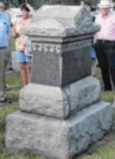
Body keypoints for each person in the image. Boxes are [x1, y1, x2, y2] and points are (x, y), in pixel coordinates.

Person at [94, 0, 115, 91]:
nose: (104, 9)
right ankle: (107, 88)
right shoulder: (97, 17)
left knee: (113, 67)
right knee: (103, 67)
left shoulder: (114, 16)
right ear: (100, 8)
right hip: (99, 44)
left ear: (109, 8)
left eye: (106, 8)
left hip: (110, 44)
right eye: (103, 8)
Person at [12, 4, 33, 86]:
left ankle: (30, 86)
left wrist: (31, 7)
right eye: (23, 11)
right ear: (21, 12)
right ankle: (25, 86)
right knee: (22, 67)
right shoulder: (17, 21)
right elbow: (14, 33)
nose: (24, 13)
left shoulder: (31, 21)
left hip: (28, 46)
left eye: (26, 11)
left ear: (28, 12)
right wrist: (14, 35)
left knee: (28, 67)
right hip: (19, 46)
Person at [0, 5, 12, 103]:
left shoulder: (5, 17)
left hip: (2, 48)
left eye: (1, 7)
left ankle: (2, 96)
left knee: (1, 73)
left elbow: (7, 30)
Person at [0, 2, 14, 72]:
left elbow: (10, 24)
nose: (0, 9)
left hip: (7, 35)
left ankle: (10, 66)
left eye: (1, 7)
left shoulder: (6, 15)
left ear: (3, 8)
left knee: (8, 51)